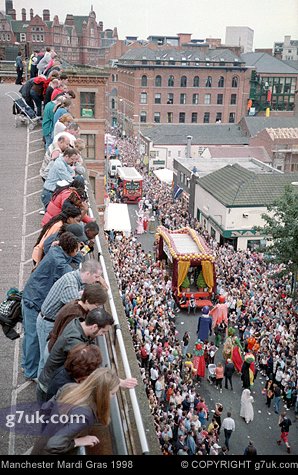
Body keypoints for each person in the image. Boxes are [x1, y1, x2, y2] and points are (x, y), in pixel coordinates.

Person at [32, 367, 136, 454]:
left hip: (41, 442)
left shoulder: (69, 387)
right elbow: (53, 445)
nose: (114, 397)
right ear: (102, 394)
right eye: (113, 393)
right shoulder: (84, 416)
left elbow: (45, 409)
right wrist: (77, 441)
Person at [37, 307, 114, 401]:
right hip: (49, 386)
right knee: (47, 413)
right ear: (94, 327)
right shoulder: (74, 342)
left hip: (52, 379)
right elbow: (87, 365)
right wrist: (112, 380)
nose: (103, 335)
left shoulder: (77, 322)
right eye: (103, 331)